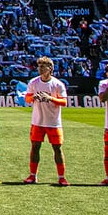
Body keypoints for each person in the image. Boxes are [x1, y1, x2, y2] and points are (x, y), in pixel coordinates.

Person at [24, 56, 68, 186]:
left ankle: (61, 177)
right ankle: (33, 175)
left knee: (57, 149)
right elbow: (26, 98)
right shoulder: (33, 82)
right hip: (38, 121)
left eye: (43, 66)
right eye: (39, 66)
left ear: (50, 69)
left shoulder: (57, 84)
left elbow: (64, 102)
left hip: (53, 122)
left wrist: (50, 98)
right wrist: (33, 97)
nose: (40, 69)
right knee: (35, 147)